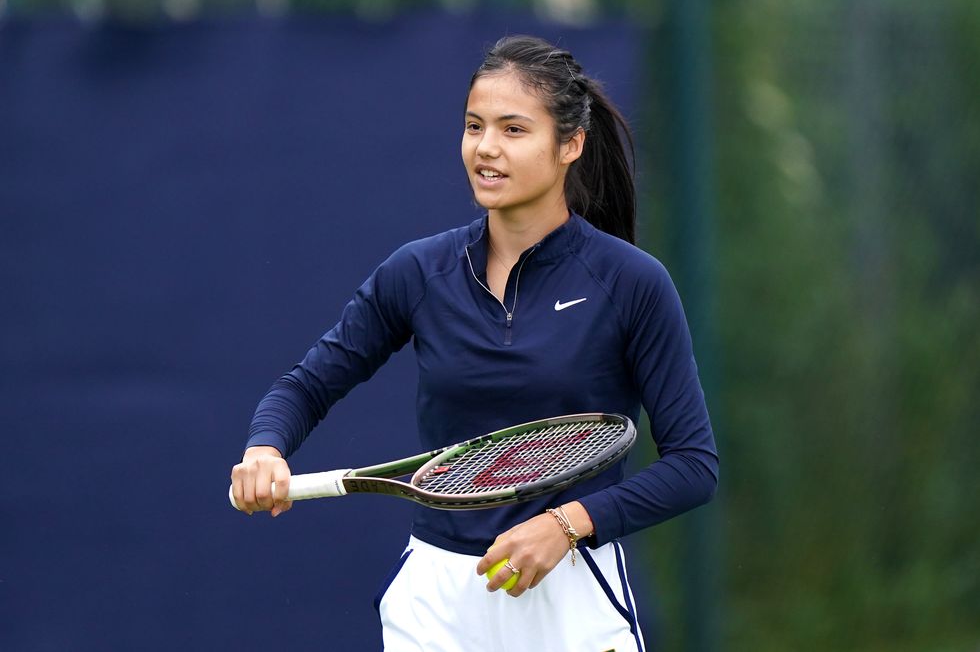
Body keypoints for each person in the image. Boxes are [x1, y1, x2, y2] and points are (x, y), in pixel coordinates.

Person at [230, 34, 718, 652]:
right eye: (474, 126)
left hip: (571, 589)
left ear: (570, 145)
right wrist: (266, 448)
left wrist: (568, 525)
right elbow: (304, 386)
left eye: (513, 130)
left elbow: (693, 467)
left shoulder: (631, 283)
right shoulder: (416, 272)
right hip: (436, 602)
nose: (485, 149)